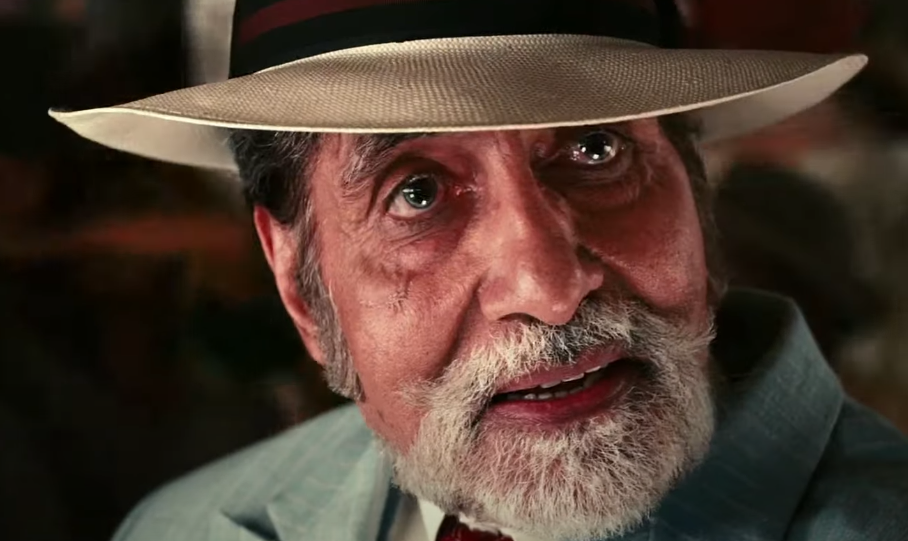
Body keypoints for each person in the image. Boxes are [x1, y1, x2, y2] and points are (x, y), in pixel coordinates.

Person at [48, 1, 908, 540]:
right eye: (417, 193)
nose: (547, 286)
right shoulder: (183, 528)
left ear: (697, 200)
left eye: (596, 149)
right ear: (298, 284)